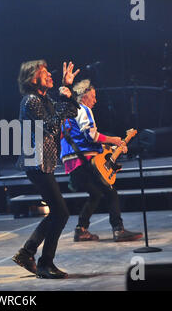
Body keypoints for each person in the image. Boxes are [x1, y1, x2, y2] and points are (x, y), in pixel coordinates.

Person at [13, 60, 80, 279]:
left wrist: (67, 88)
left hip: (44, 162)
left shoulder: (44, 98)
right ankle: (44, 263)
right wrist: (62, 97)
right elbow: (52, 126)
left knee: (58, 213)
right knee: (61, 213)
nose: (49, 74)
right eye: (44, 72)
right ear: (32, 79)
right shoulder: (31, 101)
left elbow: (71, 111)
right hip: (36, 163)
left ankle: (27, 252)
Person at [60, 79, 143, 242]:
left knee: (96, 194)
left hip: (72, 163)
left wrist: (112, 147)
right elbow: (91, 136)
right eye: (93, 96)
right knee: (111, 193)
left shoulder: (67, 114)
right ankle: (118, 230)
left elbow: (81, 139)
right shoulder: (82, 109)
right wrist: (113, 140)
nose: (95, 100)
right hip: (84, 161)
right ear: (84, 96)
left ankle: (81, 230)